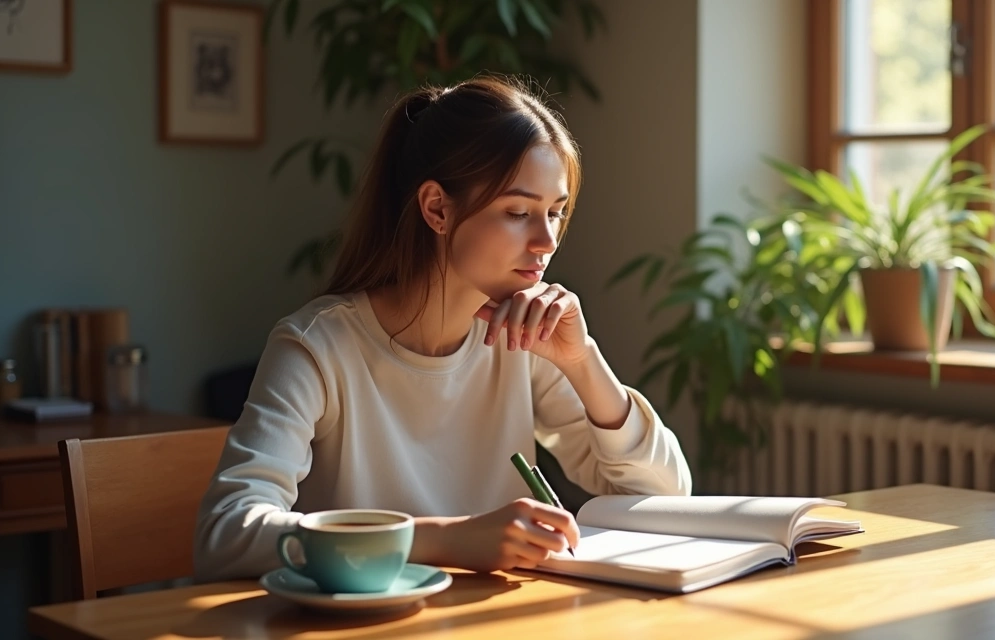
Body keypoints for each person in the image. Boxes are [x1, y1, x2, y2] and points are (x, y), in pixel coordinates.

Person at [193, 76, 693, 582]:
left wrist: (583, 361)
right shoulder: (318, 346)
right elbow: (227, 534)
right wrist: (447, 539)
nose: (546, 241)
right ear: (437, 208)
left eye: (556, 213)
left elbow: (667, 499)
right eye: (519, 212)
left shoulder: (521, 339)